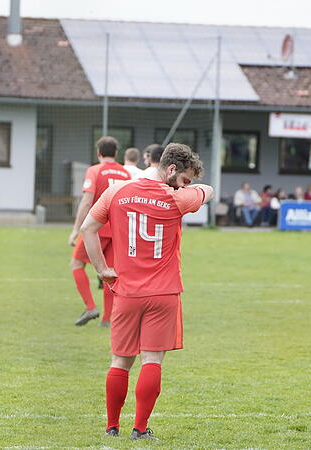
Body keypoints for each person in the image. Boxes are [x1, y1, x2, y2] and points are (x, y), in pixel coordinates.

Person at [80, 143, 214, 441]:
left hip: (126, 291)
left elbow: (87, 228)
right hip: (164, 294)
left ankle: (112, 427)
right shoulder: (177, 198)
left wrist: (102, 269)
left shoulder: (117, 192)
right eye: (184, 179)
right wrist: (189, 190)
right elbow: (209, 191)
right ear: (171, 169)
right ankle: (139, 429)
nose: (184, 186)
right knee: (152, 360)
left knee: (120, 361)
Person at [68, 136, 131, 327]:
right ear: (116, 153)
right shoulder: (125, 173)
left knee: (76, 264)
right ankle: (107, 319)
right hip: (117, 230)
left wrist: (76, 229)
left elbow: (87, 201)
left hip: (95, 228)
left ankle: (90, 307)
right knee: (110, 273)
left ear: (98, 153)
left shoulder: (94, 170)